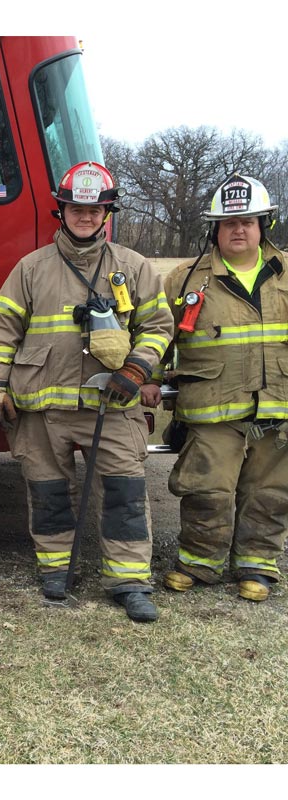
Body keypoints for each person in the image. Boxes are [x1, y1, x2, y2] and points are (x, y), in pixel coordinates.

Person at [0, 162, 173, 622]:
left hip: (112, 404)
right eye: (76, 208)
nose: (85, 216)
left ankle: (128, 581)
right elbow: (1, 330)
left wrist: (137, 368)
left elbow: (159, 326)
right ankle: (56, 570)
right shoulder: (31, 268)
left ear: (106, 212)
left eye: (95, 209)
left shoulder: (133, 267)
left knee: (124, 492)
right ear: (61, 210)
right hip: (42, 408)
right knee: (48, 492)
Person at [147, 173, 288, 602]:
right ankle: (198, 562)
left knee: (269, 492)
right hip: (210, 407)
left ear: (264, 225)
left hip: (278, 407)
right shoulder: (186, 280)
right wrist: (149, 381)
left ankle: (257, 565)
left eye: (248, 221)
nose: (239, 229)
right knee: (206, 488)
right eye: (229, 223)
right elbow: (155, 332)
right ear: (215, 228)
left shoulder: (284, 274)